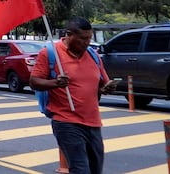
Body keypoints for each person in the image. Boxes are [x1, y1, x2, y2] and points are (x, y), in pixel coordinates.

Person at [30, 18, 117, 174]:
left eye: (89, 38)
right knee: (80, 169)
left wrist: (107, 88)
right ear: (69, 35)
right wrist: (55, 83)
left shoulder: (93, 55)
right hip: (66, 121)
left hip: (93, 122)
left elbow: (102, 83)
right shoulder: (50, 53)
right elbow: (34, 82)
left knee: (96, 170)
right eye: (83, 38)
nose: (87, 42)